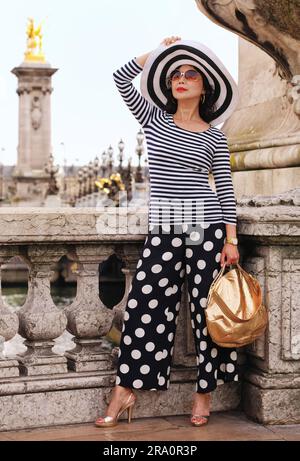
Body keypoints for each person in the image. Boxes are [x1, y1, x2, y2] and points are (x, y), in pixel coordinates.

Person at [95, 36, 240, 428]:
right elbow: (122, 79)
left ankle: (204, 392)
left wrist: (231, 240)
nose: (181, 78)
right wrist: (156, 52)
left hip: (205, 228)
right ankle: (125, 391)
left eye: (190, 73)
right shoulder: (154, 119)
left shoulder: (214, 134)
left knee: (205, 314)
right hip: (164, 228)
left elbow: (224, 189)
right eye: (175, 73)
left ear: (204, 84)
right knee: (144, 309)